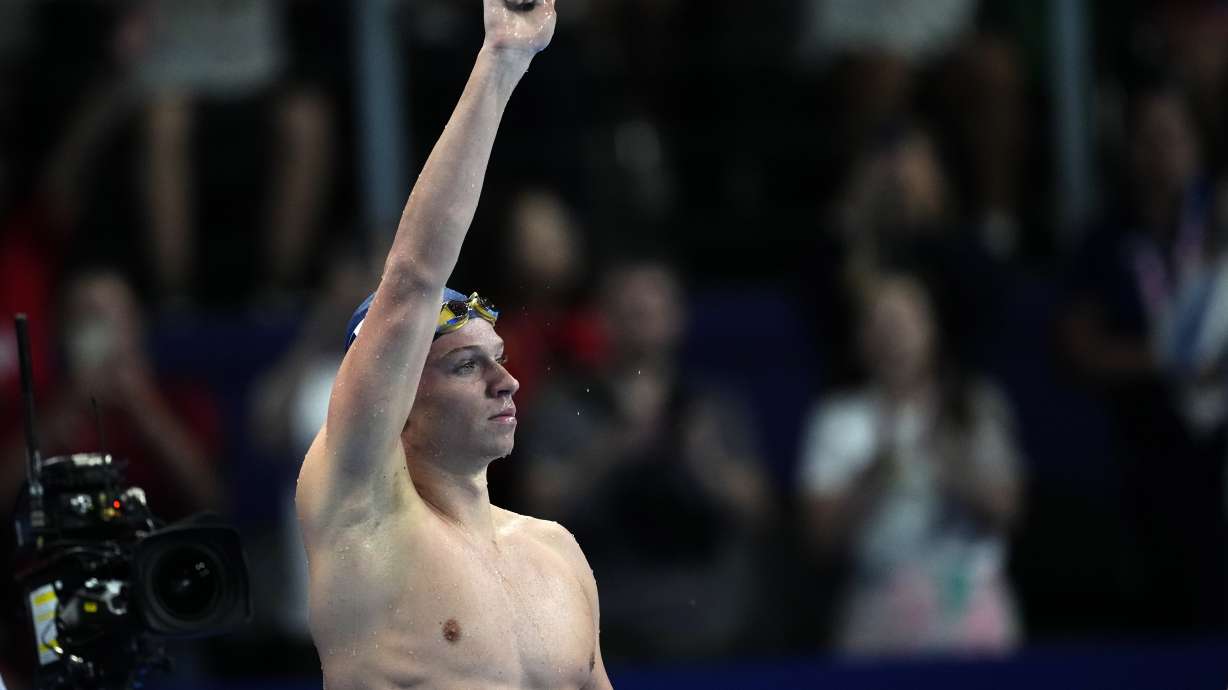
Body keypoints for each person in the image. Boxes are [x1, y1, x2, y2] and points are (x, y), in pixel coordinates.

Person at [294, 2, 613, 688]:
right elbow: (413, 278)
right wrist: (503, 59)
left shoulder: (556, 554)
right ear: (395, 399)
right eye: (467, 365)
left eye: (497, 357)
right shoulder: (363, 515)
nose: (508, 381)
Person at [798, 270, 1024, 655]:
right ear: (861, 339)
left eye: (907, 321)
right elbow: (819, 540)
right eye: (882, 323)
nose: (895, 336)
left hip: (967, 599)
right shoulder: (839, 419)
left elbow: (1007, 512)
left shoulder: (974, 406)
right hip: (879, 600)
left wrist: (952, 464)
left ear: (932, 329)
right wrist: (871, 479)